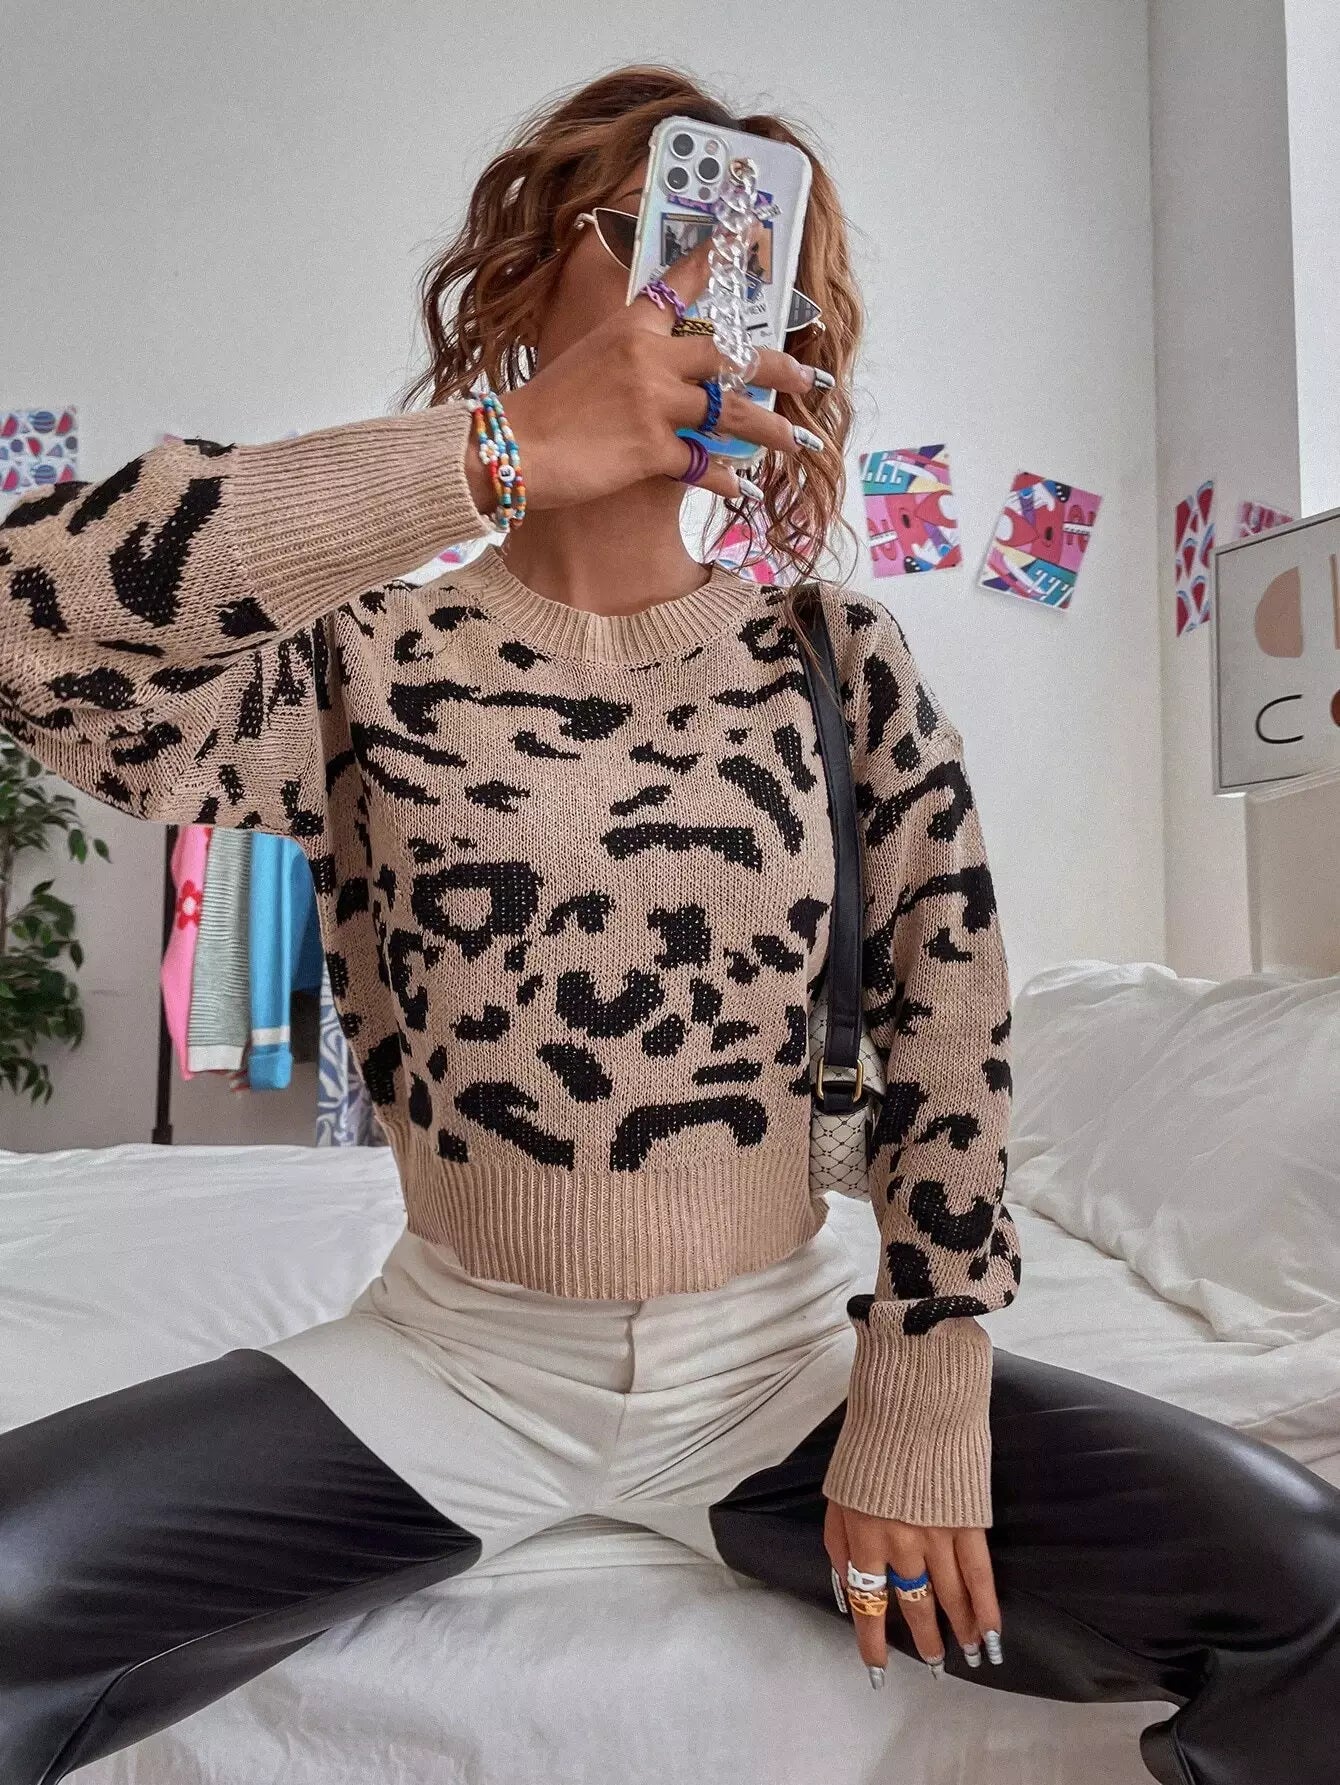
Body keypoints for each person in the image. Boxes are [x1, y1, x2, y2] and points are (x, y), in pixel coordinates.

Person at [0, 64, 1336, 1785]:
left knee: (1308, 1588)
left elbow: (952, 1023)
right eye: (661, 232)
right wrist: (488, 458)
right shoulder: (364, 665)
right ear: (531, 272)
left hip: (780, 1373)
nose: (709, 292)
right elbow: (31, 629)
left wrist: (925, 1380)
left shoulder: (836, 661)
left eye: (767, 275)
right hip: (447, 1363)